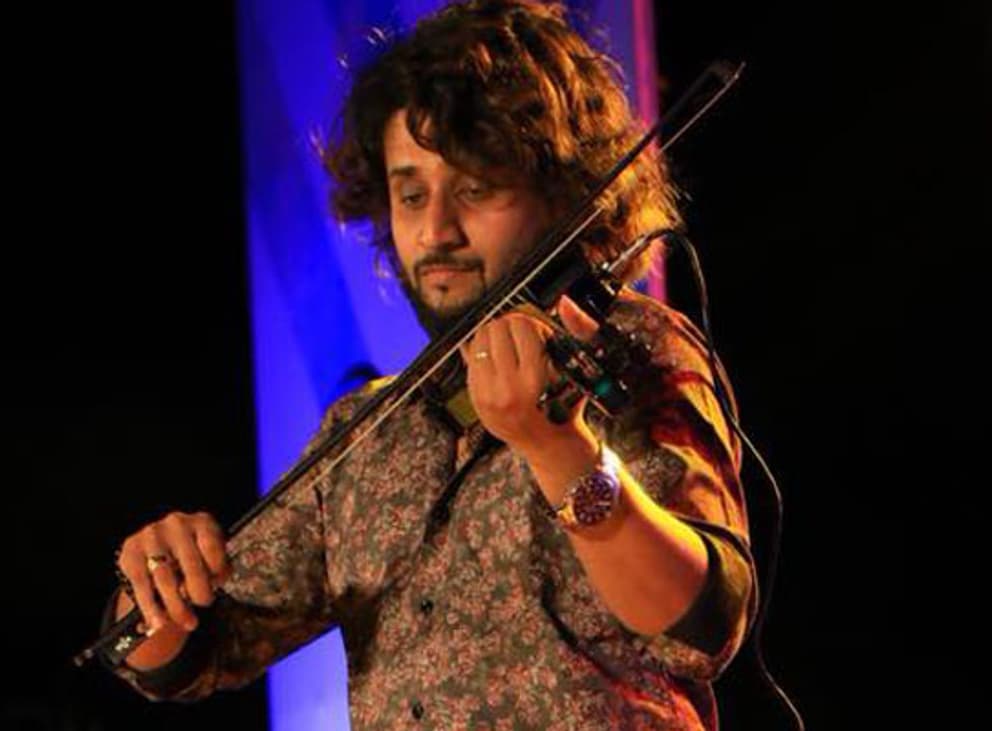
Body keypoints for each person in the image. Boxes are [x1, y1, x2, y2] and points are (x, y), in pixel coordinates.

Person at [102, 1, 757, 728]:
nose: (437, 230)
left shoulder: (630, 346)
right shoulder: (367, 428)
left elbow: (702, 624)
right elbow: (192, 653)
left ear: (562, 193)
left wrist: (558, 450)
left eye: (476, 189)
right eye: (412, 194)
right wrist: (152, 585)